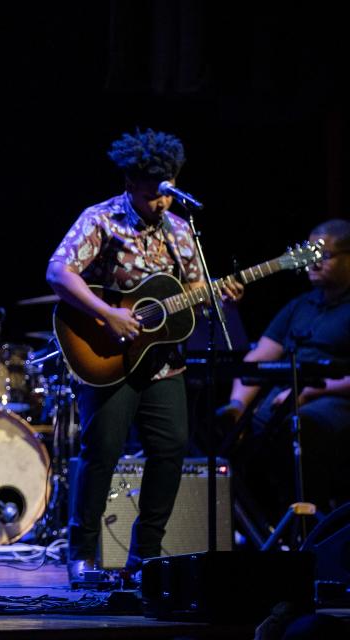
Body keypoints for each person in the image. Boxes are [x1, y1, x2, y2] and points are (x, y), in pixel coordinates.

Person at [45, 129, 243, 584]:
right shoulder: (101, 219)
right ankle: (82, 554)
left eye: (168, 192)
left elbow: (194, 289)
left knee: (171, 449)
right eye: (154, 194)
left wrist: (219, 294)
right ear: (132, 182)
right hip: (107, 357)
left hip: (163, 360)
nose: (162, 203)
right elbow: (59, 270)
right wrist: (107, 314)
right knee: (103, 453)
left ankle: (145, 556)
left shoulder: (179, 229)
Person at [220, 219, 350, 524]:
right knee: (223, 434)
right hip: (286, 399)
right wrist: (238, 405)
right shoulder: (299, 306)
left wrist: (311, 391)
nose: (312, 264)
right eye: (309, 255)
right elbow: (258, 359)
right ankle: (260, 530)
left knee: (302, 425)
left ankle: (313, 527)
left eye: (323, 256)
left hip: (335, 401)